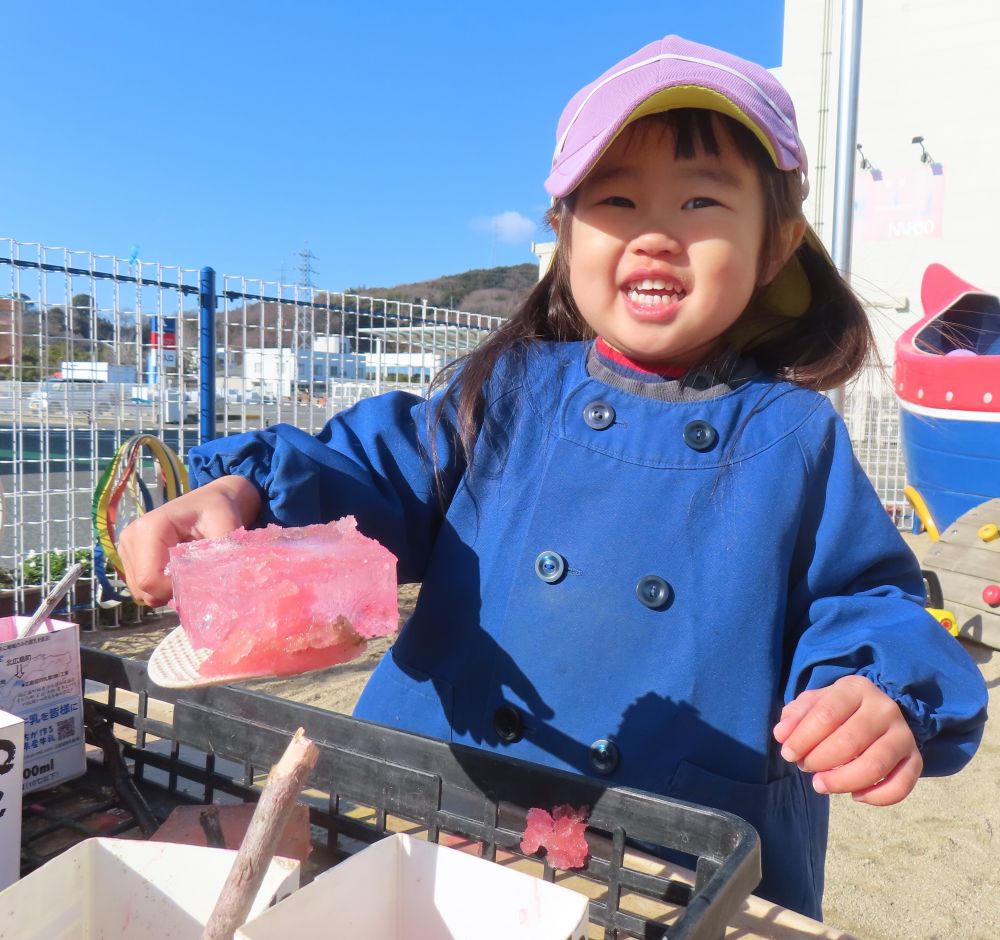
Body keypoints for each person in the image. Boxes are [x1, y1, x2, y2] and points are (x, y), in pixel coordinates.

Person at [119, 35, 987, 920]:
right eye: (617, 199)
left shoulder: (791, 434)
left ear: (776, 244)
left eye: (701, 200)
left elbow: (868, 601)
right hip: (436, 796)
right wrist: (246, 493)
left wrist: (875, 689)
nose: (656, 232)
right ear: (564, 232)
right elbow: (376, 472)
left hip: (656, 850)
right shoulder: (510, 386)